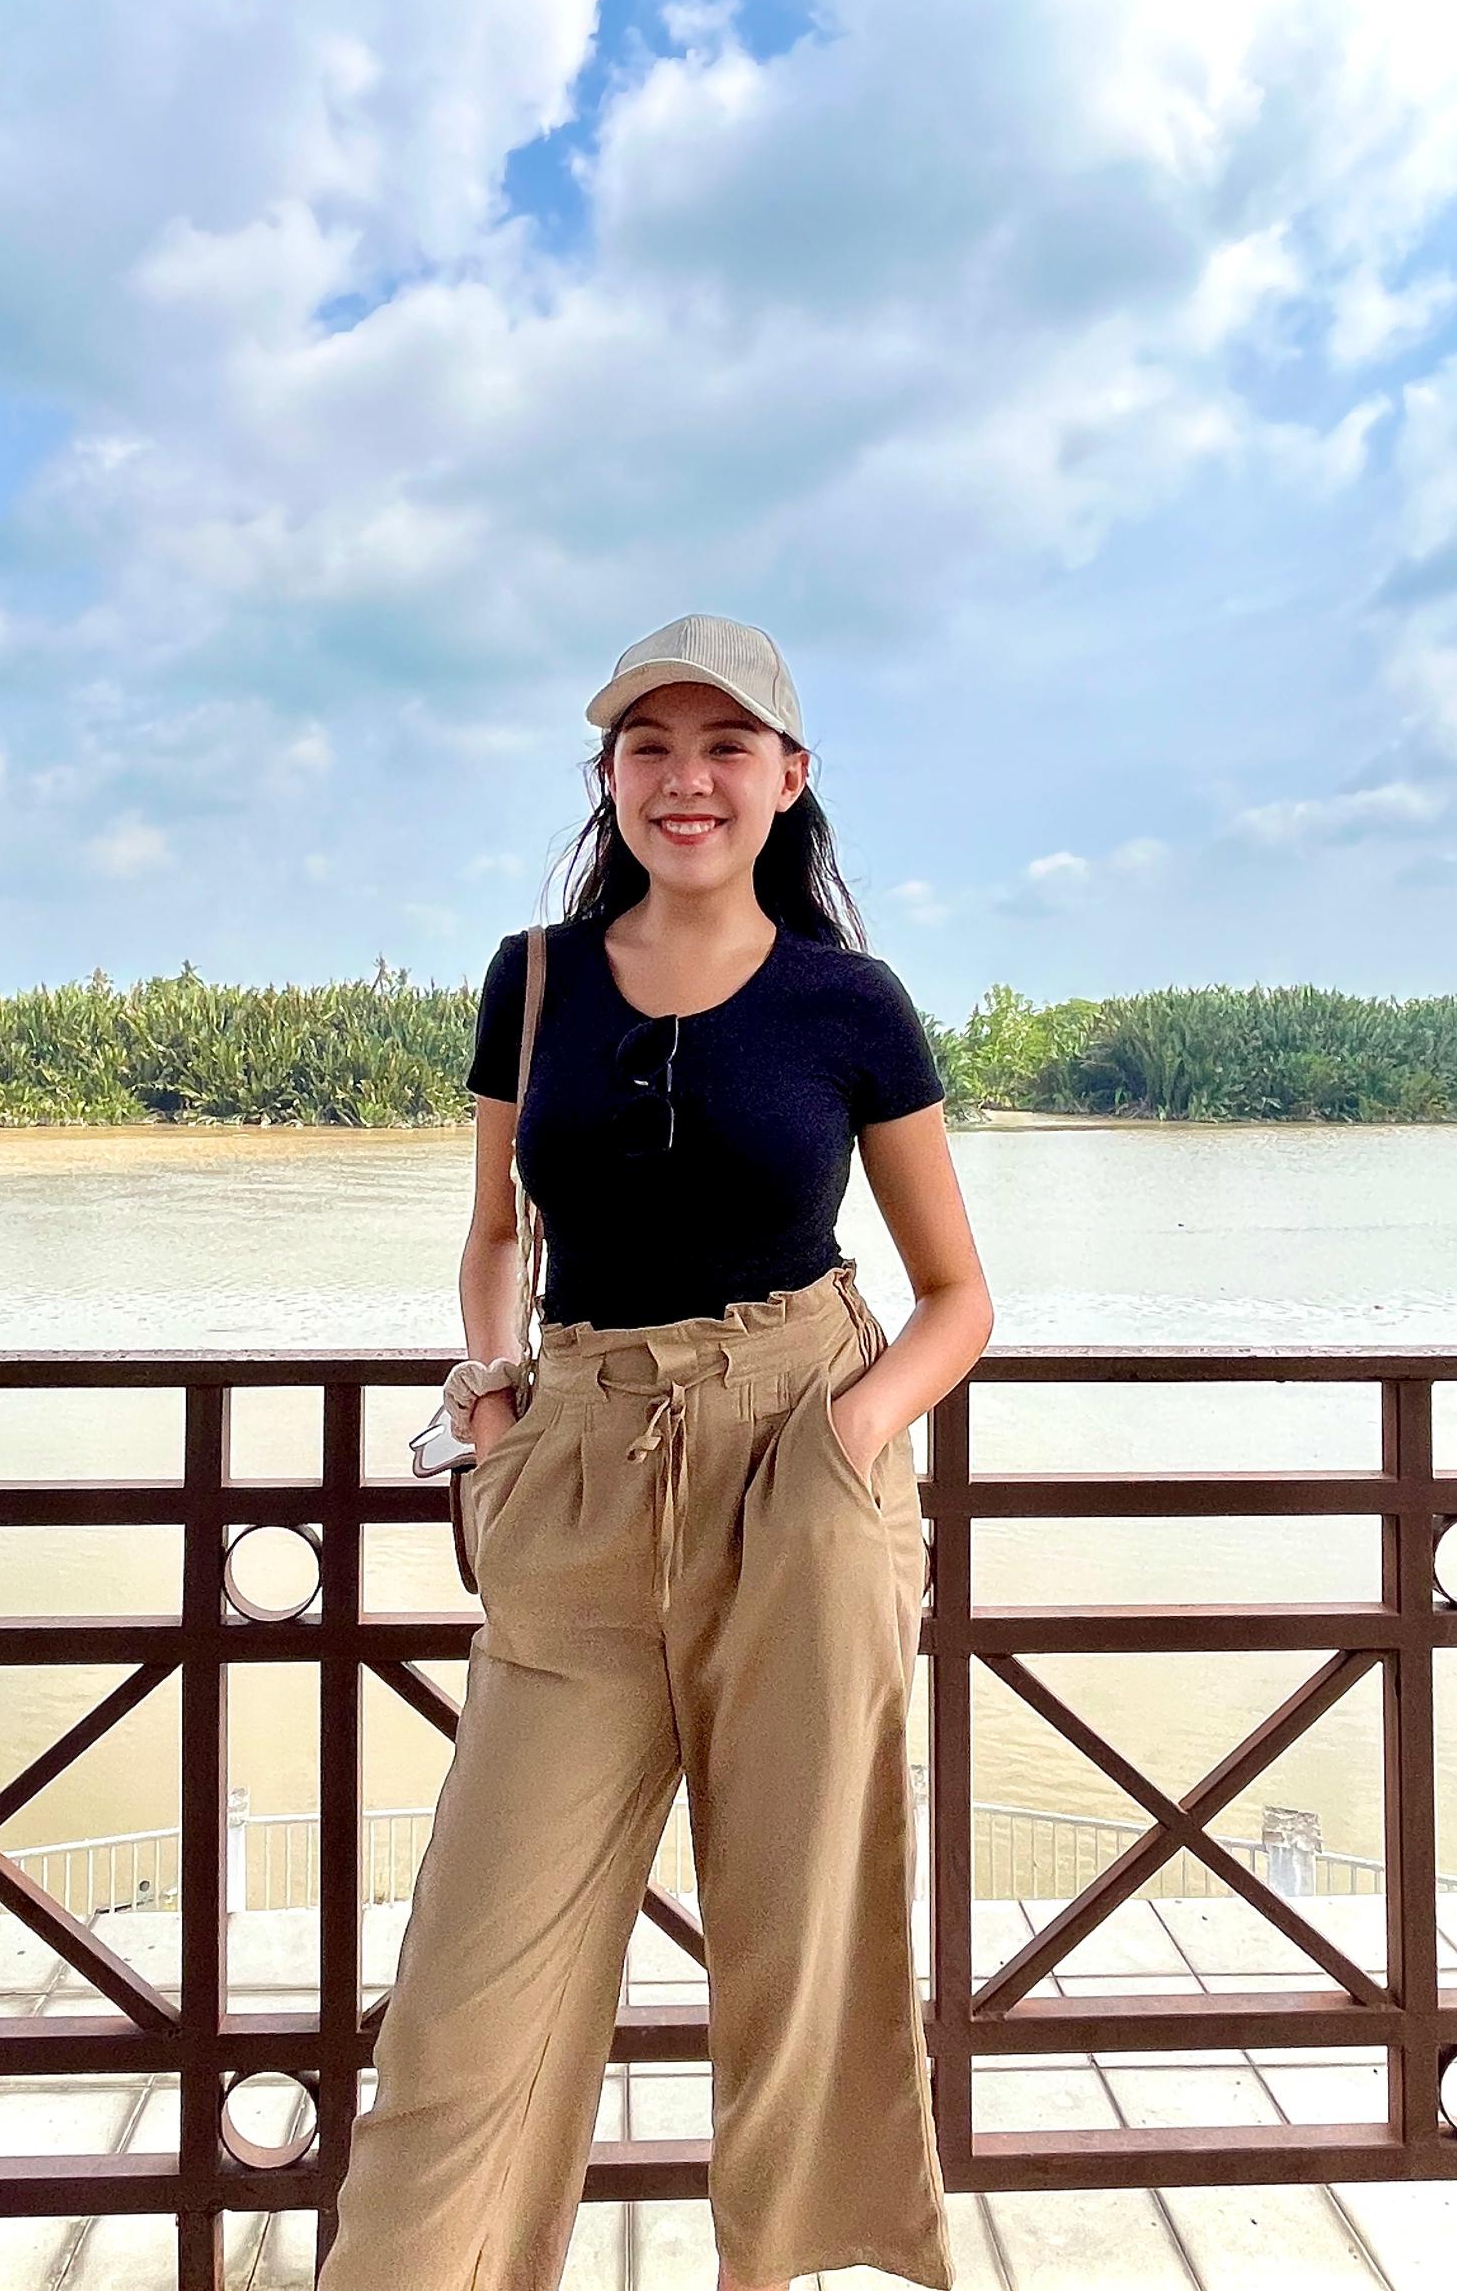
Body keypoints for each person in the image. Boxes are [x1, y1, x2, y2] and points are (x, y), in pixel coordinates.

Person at [319, 613, 994, 2291]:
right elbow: (496, 1234)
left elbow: (959, 1297)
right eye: (648, 748)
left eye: (723, 748)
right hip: (583, 1461)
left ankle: (795, 2273)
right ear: (609, 775)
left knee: (800, 1940)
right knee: (476, 1971)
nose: (685, 781)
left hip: (803, 1464)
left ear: (788, 778)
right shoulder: (531, 975)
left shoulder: (851, 1002)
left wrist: (848, 1433)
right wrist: (488, 1396)